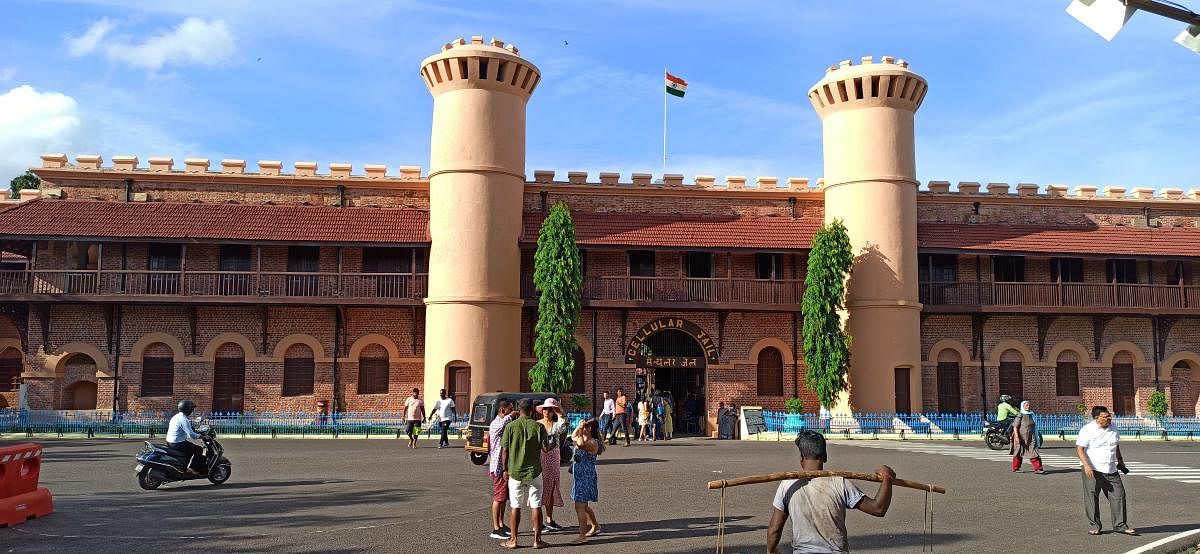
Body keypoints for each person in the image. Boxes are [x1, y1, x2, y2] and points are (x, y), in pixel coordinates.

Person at [767, 431, 895, 554]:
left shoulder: (787, 485)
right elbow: (878, 508)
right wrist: (887, 478)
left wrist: (771, 551)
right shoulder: (840, 483)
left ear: (801, 457)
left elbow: (775, 528)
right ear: (825, 456)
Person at [1076, 406, 1137, 536]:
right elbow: (1080, 449)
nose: (1109, 418)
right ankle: (1095, 526)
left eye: (1109, 416)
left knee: (1119, 495)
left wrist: (1120, 460)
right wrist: (1086, 466)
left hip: (1111, 468)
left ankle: (1120, 525)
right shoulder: (1087, 430)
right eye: (1105, 417)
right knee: (1092, 497)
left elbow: (1116, 445)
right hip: (1093, 469)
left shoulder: (1113, 428)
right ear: (1096, 418)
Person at [499, 398, 551, 549]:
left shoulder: (510, 427)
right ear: (532, 410)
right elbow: (546, 449)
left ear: (518, 409)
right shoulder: (538, 427)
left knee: (515, 506)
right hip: (535, 471)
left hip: (515, 472)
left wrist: (504, 469)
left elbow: (505, 450)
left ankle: (513, 540)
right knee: (536, 505)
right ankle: (537, 540)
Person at [569, 417, 604, 544]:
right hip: (579, 477)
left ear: (589, 429)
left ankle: (582, 536)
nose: (582, 429)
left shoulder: (593, 442)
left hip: (586, 477)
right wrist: (579, 427)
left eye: (585, 427)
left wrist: (580, 429)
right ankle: (595, 526)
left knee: (579, 507)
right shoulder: (583, 437)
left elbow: (579, 444)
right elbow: (573, 436)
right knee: (584, 506)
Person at [536, 398, 568, 532]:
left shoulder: (556, 424)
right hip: (540, 457)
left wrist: (559, 412)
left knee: (552, 487)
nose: (546, 412)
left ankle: (549, 519)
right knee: (539, 488)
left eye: (550, 409)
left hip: (553, 457)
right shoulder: (537, 424)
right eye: (545, 409)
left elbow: (563, 427)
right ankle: (537, 521)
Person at [487, 400, 516, 540]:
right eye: (510, 409)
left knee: (504, 497)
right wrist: (511, 416)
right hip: (497, 467)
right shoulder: (495, 423)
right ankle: (495, 527)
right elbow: (499, 428)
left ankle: (501, 523)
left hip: (505, 466)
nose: (513, 411)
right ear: (503, 411)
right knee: (498, 497)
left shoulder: (505, 423)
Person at [166, 400, 206, 475]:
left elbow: (185, 427)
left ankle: (183, 466)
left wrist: (193, 427)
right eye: (191, 409)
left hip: (170, 441)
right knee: (199, 449)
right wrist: (203, 437)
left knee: (189, 450)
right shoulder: (183, 419)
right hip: (177, 443)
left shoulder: (177, 416)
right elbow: (191, 435)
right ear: (187, 409)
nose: (192, 411)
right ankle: (192, 469)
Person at [1010, 400, 1044, 474]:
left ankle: (1038, 468)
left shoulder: (1031, 414)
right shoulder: (1020, 415)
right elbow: (1015, 427)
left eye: (1028, 405)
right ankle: (1016, 468)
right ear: (1022, 406)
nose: (1028, 407)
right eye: (1026, 405)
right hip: (1021, 437)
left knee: (1034, 451)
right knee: (1018, 452)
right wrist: (1016, 437)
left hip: (1031, 437)